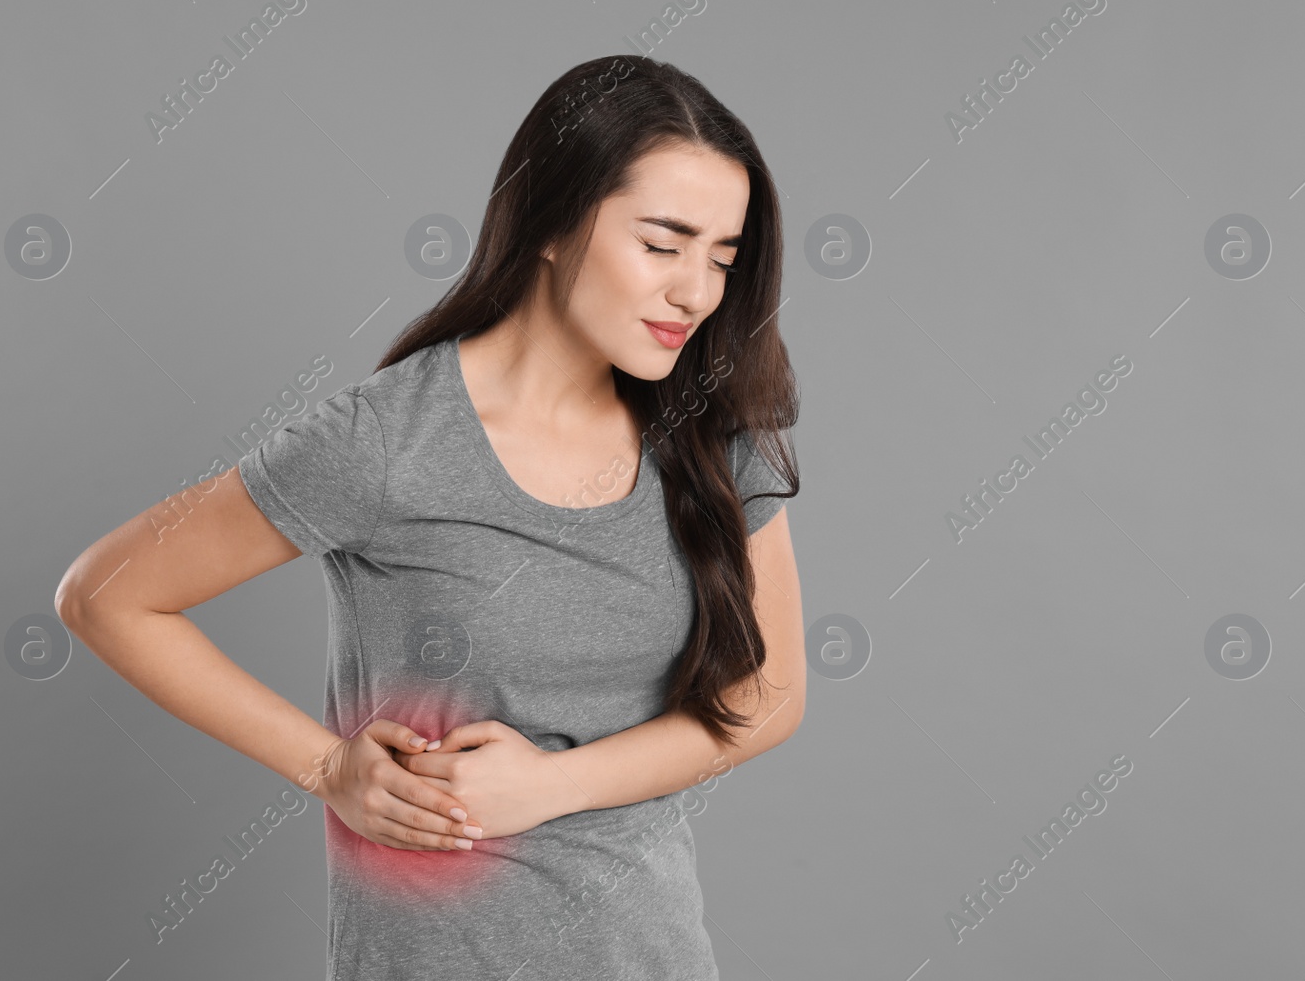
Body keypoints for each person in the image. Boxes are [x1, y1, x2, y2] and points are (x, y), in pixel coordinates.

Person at [53, 53, 804, 980]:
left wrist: (548, 786)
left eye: (722, 258)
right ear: (555, 224)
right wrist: (328, 769)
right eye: (663, 243)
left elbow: (766, 698)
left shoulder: (712, 436)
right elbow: (106, 595)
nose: (697, 291)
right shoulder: (387, 441)